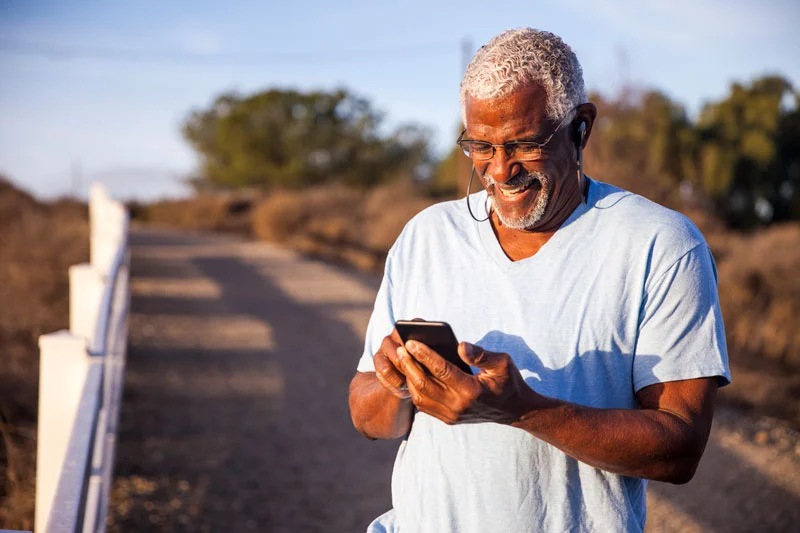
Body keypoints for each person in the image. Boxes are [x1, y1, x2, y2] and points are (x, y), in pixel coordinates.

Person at [348, 28, 730, 533]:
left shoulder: (661, 246)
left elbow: (679, 450)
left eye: (524, 144)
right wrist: (396, 386)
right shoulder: (426, 236)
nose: (500, 170)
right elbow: (368, 417)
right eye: (479, 146)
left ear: (581, 127)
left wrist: (523, 410)